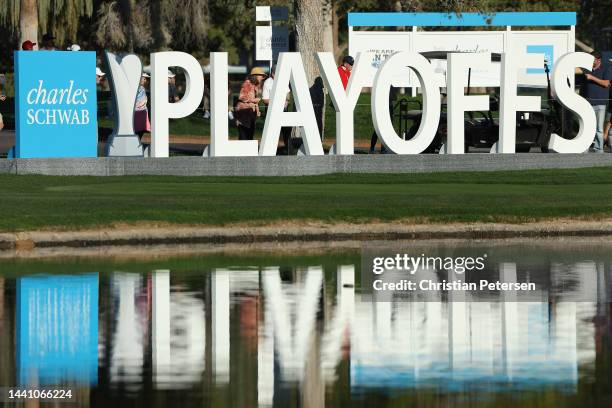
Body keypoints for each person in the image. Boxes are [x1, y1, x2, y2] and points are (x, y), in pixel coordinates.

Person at [581, 51, 611, 153]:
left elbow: (606, 83)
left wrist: (591, 77)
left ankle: (598, 149)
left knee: (599, 128)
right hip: (587, 103)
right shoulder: (586, 69)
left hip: (600, 103)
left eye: (592, 59)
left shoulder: (606, 69)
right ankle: (584, 147)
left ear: (598, 60)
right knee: (587, 127)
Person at [262, 64, 292, 152]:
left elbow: (287, 93)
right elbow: (265, 99)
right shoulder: (268, 82)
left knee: (286, 131)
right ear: (272, 74)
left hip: (284, 110)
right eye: (276, 73)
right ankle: (271, 151)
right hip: (272, 112)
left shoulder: (282, 80)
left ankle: (289, 150)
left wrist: (287, 100)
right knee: (272, 133)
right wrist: (277, 102)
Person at [234, 67, 267, 141]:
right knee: (244, 136)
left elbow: (255, 101)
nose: (262, 78)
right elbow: (242, 97)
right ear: (255, 75)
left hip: (251, 113)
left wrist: (257, 110)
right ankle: (243, 152)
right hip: (243, 113)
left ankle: (248, 152)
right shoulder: (247, 83)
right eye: (261, 75)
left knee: (250, 135)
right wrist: (254, 100)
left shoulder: (256, 86)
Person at [134, 73, 151, 138]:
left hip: (141, 112)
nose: (145, 80)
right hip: (139, 112)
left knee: (139, 130)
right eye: (144, 78)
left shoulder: (141, 88)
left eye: (145, 79)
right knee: (139, 130)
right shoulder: (139, 88)